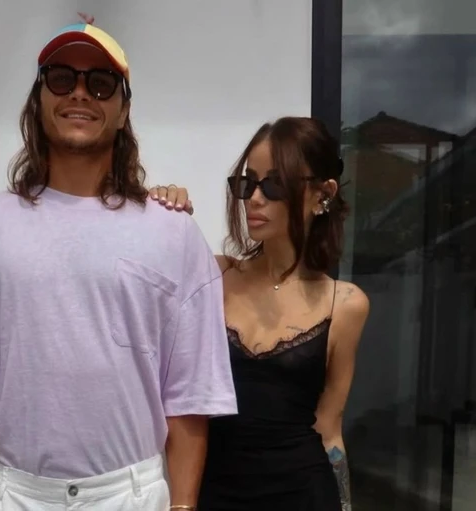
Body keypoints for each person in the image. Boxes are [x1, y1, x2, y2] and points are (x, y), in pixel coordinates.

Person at [0, 20, 237, 511]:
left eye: (101, 83)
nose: (80, 93)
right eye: (61, 79)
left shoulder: (173, 233)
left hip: (132, 495)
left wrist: (183, 506)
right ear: (38, 101)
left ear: (123, 111)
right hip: (17, 495)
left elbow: (189, 397)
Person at [150, 117, 370, 510]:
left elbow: (329, 429)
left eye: (274, 184)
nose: (254, 198)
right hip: (214, 493)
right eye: (247, 182)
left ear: (322, 194)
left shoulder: (346, 304)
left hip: (304, 495)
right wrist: (156, 213)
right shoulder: (213, 275)